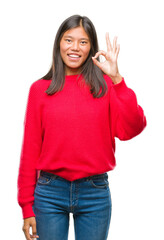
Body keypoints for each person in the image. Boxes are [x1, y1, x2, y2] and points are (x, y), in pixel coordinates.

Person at [17, 14, 147, 240]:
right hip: (49, 192)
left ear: (91, 48)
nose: (74, 47)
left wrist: (117, 79)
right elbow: (30, 150)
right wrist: (27, 206)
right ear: (59, 43)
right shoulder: (40, 90)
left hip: (94, 192)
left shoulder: (105, 86)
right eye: (69, 40)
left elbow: (132, 128)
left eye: (83, 42)